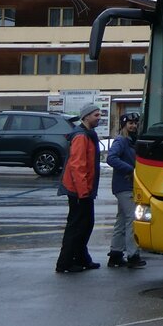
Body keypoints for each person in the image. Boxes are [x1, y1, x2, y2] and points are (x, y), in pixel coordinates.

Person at [56, 103, 102, 273]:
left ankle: (81, 258)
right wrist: (83, 192)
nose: (99, 118)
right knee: (77, 226)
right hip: (79, 191)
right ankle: (65, 263)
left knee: (85, 224)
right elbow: (78, 166)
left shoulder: (87, 134)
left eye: (99, 114)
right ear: (86, 117)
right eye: (96, 115)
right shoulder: (81, 137)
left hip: (83, 190)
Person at [106, 112, 146, 268]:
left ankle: (115, 254)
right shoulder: (121, 141)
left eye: (135, 123)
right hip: (125, 187)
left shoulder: (130, 142)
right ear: (123, 125)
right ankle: (133, 255)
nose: (133, 126)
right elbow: (111, 158)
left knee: (122, 220)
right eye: (130, 123)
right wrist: (130, 170)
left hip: (125, 186)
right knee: (132, 220)